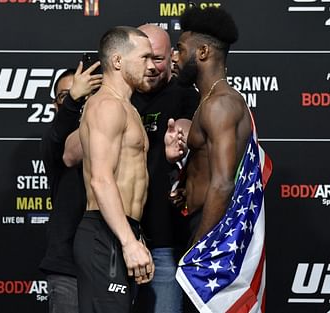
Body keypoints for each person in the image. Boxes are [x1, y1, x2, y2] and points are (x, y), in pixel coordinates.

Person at [164, 7, 262, 312]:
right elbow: (207, 168)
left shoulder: (220, 105)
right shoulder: (207, 101)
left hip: (211, 235)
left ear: (203, 52)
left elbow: (222, 183)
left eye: (180, 49)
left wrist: (199, 247)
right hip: (200, 224)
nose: (174, 57)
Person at [73, 26, 156, 313]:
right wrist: (128, 243)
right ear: (118, 61)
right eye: (145, 58)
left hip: (122, 231)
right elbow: (101, 180)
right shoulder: (106, 106)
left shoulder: (129, 108)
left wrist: (135, 239)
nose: (152, 66)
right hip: (105, 235)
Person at [131, 24, 199, 313]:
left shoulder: (184, 93)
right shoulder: (119, 96)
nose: (150, 66)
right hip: (118, 237)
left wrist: (180, 141)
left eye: (157, 58)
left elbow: (186, 126)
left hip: (164, 241)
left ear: (171, 56)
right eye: (143, 58)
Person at [39, 62, 101, 313]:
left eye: (82, 94)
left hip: (107, 263)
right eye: (64, 96)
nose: (73, 101)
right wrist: (73, 100)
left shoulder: (112, 135)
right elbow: (59, 141)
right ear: (56, 105)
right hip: (67, 267)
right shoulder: (53, 143)